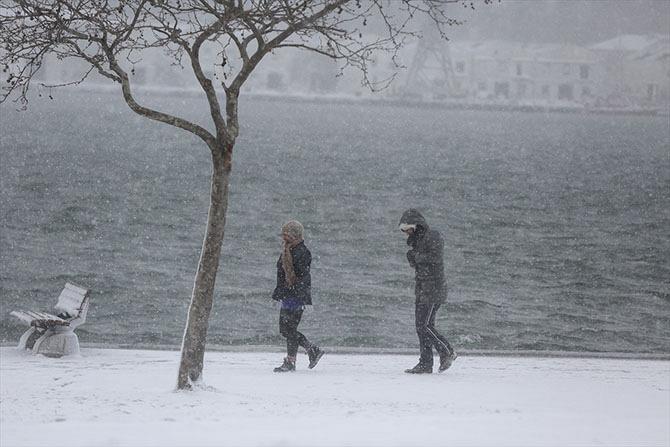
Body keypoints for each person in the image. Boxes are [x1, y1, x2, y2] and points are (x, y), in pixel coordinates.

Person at [399, 208, 457, 374]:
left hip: (434, 289)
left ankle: (447, 350)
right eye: (403, 230)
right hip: (422, 288)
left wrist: (415, 256)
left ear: (416, 225)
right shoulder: (416, 241)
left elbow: (435, 258)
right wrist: (412, 257)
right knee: (422, 326)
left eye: (407, 229)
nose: (406, 233)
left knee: (424, 325)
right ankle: (425, 363)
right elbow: (418, 262)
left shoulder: (433, 236)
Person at [271, 220, 324, 372]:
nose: (283, 238)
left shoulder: (302, 252)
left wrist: (299, 295)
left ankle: (291, 361)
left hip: (296, 297)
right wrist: (278, 294)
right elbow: (282, 274)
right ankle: (311, 350)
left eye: (286, 235)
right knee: (286, 330)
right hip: (288, 296)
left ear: (294, 236)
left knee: (289, 329)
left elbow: (303, 277)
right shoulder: (288, 250)